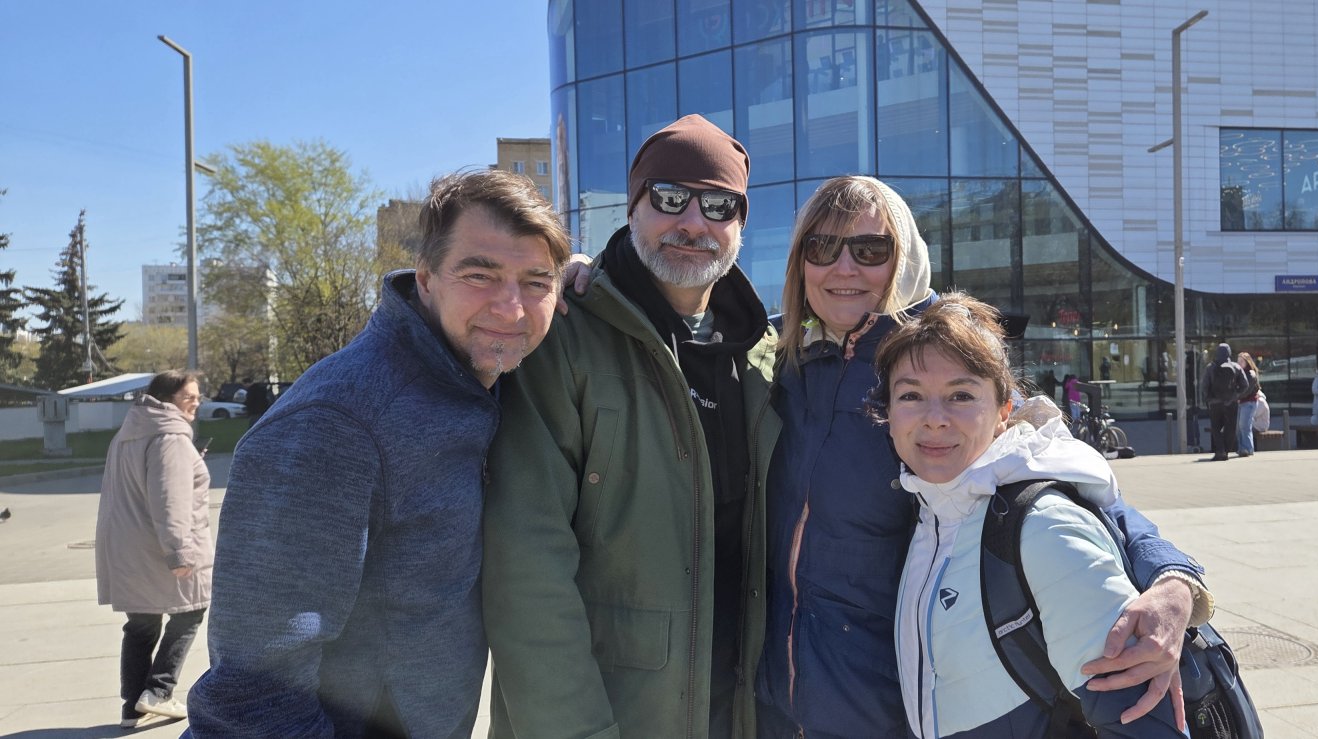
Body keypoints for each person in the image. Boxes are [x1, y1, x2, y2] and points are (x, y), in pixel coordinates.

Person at [756, 177, 1210, 738]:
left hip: (892, 707)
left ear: (905, 257)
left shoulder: (941, 358)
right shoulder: (779, 361)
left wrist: (1174, 581)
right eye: (822, 247)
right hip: (777, 704)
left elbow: (1062, 480)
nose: (843, 267)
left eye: (870, 249)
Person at [185, 169, 570, 737]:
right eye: (479, 275)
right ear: (426, 279)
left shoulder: (475, 381)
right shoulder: (335, 424)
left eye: (536, 282)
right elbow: (253, 689)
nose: (512, 308)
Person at [483, 114, 779, 738]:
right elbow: (526, 569)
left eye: (719, 205)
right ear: (633, 206)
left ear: (740, 225)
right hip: (611, 715)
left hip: (737, 712)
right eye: (669, 198)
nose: (693, 222)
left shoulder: (764, 355)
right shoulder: (564, 337)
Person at [875, 294, 1192, 738]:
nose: (935, 419)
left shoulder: (1044, 527)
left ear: (1004, 412)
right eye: (911, 395)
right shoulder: (931, 513)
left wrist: (1175, 578)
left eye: (961, 395)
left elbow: (1143, 724)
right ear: (888, 413)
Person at [95, 370, 212, 728]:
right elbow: (170, 500)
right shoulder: (170, 437)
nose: (196, 403)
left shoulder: (129, 433)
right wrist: (179, 552)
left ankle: (132, 708)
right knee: (191, 611)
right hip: (159, 547)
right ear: (166, 399)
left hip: (127, 547)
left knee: (141, 625)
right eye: (188, 397)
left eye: (198, 397)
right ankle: (159, 691)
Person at [1199, 343, 1247, 461]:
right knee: (1230, 428)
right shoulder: (1236, 367)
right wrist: (1235, 395)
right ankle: (1225, 451)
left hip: (1215, 403)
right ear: (1229, 353)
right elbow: (1245, 385)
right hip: (1231, 403)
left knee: (1215, 428)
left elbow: (1204, 386)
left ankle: (1220, 451)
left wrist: (1209, 399)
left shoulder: (1210, 367)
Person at [1235, 351, 1263, 457]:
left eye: (1241, 361)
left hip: (1249, 402)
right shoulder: (1240, 373)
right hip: (1243, 402)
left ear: (1247, 362)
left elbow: (1246, 390)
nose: (1239, 363)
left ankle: (1248, 448)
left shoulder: (1250, 373)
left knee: (1245, 426)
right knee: (1240, 426)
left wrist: (1237, 397)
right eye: (1238, 361)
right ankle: (1242, 448)